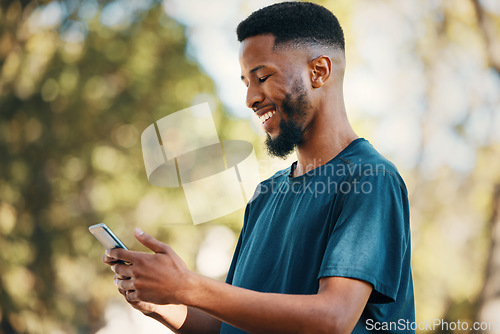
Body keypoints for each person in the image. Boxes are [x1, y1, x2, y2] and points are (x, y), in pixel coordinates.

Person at [103, 2, 415, 333]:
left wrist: (189, 286)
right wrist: (162, 303)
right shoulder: (265, 195)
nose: (250, 98)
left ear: (319, 71)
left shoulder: (370, 179)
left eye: (262, 76)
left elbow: (333, 318)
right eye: (245, 83)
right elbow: (228, 326)